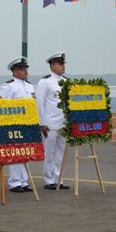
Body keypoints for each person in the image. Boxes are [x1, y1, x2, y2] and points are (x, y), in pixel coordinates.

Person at [0, 57, 35, 193]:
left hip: (27, 124)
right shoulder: (9, 86)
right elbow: (2, 105)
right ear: (14, 71)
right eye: (22, 69)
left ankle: (23, 181)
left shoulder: (30, 86)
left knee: (25, 153)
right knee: (14, 152)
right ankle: (14, 182)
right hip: (14, 124)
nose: (25, 72)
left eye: (26, 69)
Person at [36, 52, 70, 190]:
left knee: (60, 153)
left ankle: (58, 178)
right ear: (53, 65)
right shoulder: (45, 82)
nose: (63, 67)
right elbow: (40, 103)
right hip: (50, 124)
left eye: (63, 64)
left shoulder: (66, 82)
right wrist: (42, 123)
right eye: (60, 64)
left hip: (63, 124)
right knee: (49, 153)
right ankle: (49, 180)